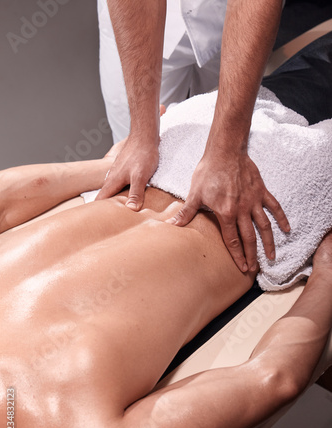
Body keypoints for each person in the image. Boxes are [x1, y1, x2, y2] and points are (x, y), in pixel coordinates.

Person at [0, 32, 331, 428]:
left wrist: (328, 277)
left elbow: (273, 379)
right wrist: (109, 166)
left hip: (281, 197)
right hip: (185, 146)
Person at [97, 0, 290, 275]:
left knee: (226, 173)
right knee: (135, 172)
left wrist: (227, 151)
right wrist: (141, 134)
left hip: (232, 15)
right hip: (139, 18)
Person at [97, 0, 227, 143]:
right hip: (139, 23)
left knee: (225, 137)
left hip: (228, 17)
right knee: (135, 146)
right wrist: (143, 136)